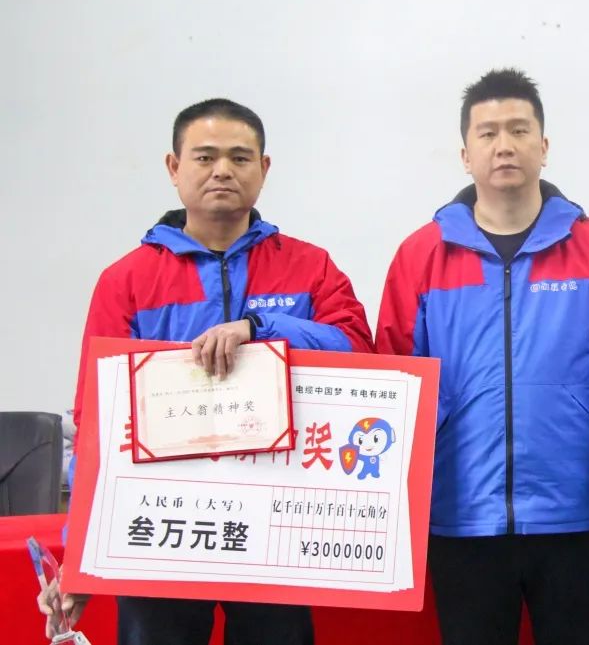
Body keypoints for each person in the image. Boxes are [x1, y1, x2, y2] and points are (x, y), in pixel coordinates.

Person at [38, 98, 374, 645]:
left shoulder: (310, 267)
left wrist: (261, 327)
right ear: (174, 168)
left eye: (240, 157)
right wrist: (83, 556)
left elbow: (358, 350)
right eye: (205, 157)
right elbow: (96, 418)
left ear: (264, 168)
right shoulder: (127, 281)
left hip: (276, 524)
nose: (222, 170)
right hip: (162, 526)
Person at [376, 68, 589, 645]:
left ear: (544, 146)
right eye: (487, 133)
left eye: (519, 130)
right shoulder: (420, 257)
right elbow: (395, 389)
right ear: (465, 154)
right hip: (461, 516)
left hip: (573, 513)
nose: (503, 145)